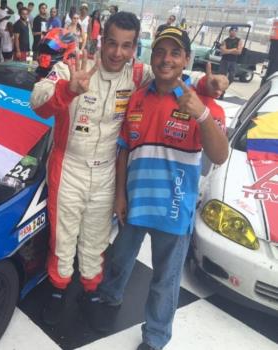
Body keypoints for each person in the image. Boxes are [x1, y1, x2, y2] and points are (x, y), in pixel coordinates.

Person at [30, 12, 228, 328]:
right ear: (101, 41)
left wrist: (208, 83)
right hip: (69, 166)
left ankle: (92, 293)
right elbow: (37, 104)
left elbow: (172, 75)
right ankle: (56, 291)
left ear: (135, 47)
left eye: (126, 46)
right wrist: (68, 87)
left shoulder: (137, 74)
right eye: (111, 43)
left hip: (108, 170)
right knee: (63, 238)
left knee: (96, 240)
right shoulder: (72, 66)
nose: (117, 53)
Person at [94, 27, 229, 350]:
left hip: (174, 209)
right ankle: (109, 298)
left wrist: (203, 114)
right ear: (151, 56)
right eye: (160, 51)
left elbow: (220, 155)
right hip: (135, 204)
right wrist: (120, 196)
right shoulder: (138, 96)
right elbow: (125, 148)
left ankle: (154, 338)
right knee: (119, 261)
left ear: (185, 60)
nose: (166, 59)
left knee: (164, 282)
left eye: (174, 52)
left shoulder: (201, 101)